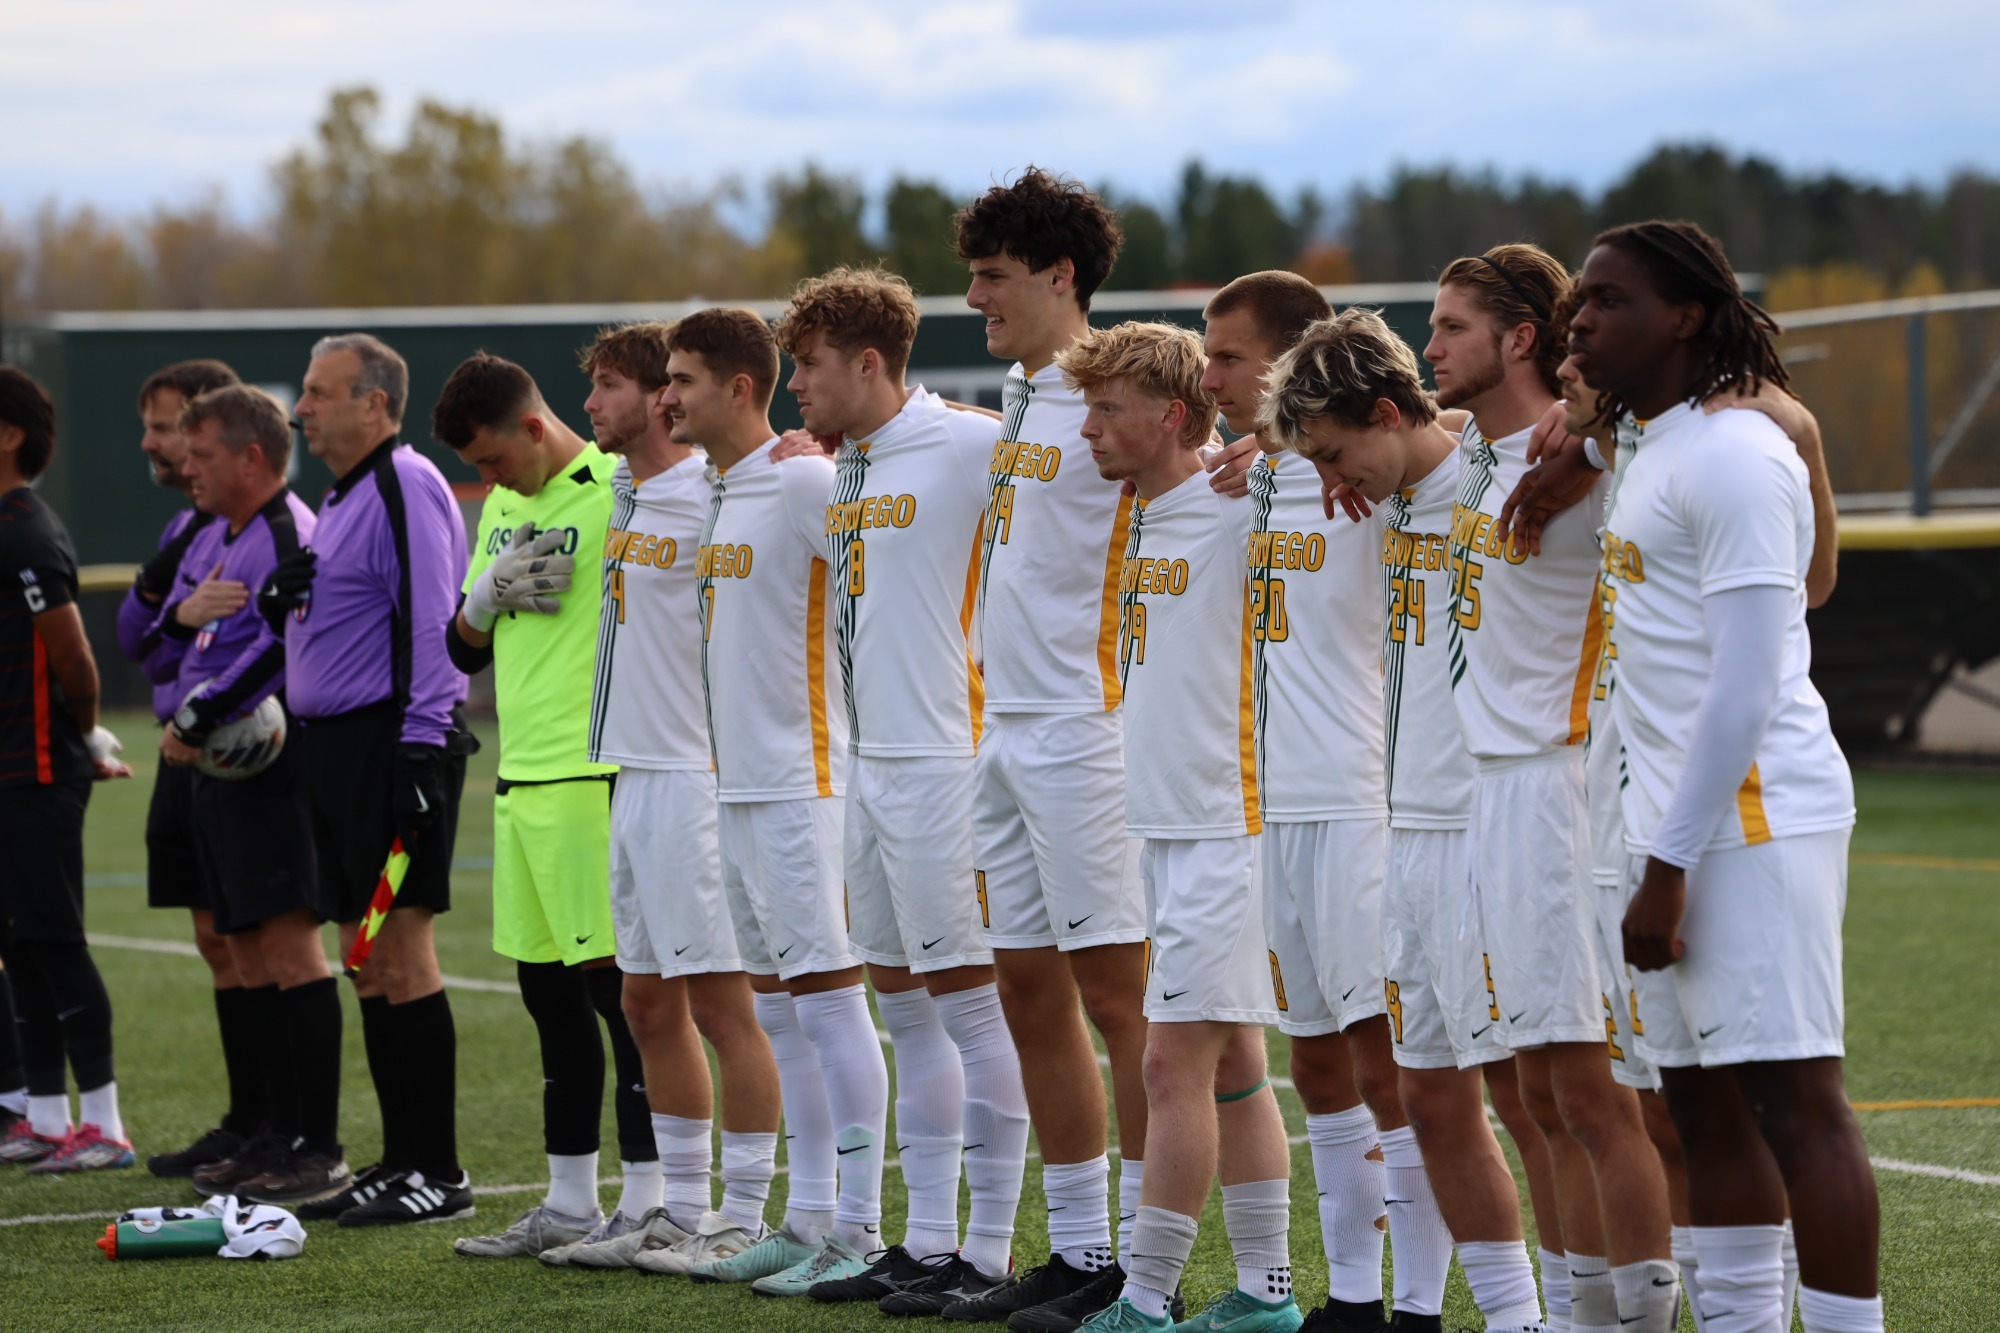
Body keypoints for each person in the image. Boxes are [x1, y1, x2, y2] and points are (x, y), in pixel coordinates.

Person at [1573, 219, 1879, 1333]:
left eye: (1608, 300)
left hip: (1748, 825)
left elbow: (1746, 686)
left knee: (1797, 1105)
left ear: (1686, 318)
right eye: (1579, 300)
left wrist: (1667, 866)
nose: (1580, 321)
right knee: (1699, 1109)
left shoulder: (1735, 454)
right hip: (1662, 828)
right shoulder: (1649, 442)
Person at [1259, 310, 1560, 1333]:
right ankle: (1500, 1315)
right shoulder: (1380, 497)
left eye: (1332, 453)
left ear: (1386, 415)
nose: (1328, 477)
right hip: (1409, 828)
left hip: (1491, 825)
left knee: (1533, 1098)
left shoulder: (1493, 477)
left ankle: (1567, 1314)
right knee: (1429, 1097)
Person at [1425, 244, 1679, 1332]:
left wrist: (1594, 426)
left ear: (1520, 338)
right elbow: (1363, 417)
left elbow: (1712, 417)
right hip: (1489, 793)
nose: (1430, 345)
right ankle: (1582, 1314)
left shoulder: (1590, 450)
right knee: (1533, 1092)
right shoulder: (1469, 452)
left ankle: (1650, 1311)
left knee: (1591, 1093)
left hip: (1559, 786)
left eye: (1450, 326)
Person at [1200, 272, 1457, 1333]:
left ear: (1294, 361)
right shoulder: (1255, 474)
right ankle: (1350, 1295)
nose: (1210, 377)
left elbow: (1452, 439)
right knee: (1313, 1057)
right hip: (1275, 808)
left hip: (1360, 802)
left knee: (1386, 1061)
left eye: (1227, 356)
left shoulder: (1368, 472)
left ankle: (1419, 1303)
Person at [773, 268, 1032, 1315]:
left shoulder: (969, 443)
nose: (795, 384)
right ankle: (923, 1241)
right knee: (905, 1010)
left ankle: (988, 1248)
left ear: (869, 362)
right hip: (868, 767)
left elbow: (1109, 473)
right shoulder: (844, 462)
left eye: (808, 365)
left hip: (946, 766)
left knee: (972, 1010)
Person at [945, 168, 1156, 1330]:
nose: (975, 297)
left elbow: (1210, 468)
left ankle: (1145, 1265)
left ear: (1059, 275)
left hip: (1088, 729)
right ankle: (1077, 1250)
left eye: (992, 276)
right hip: (1004, 730)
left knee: (1120, 1000)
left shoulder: (1124, 389)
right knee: (1026, 988)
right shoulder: (1024, 395)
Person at [1056, 321, 1297, 1333]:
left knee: (1168, 1065)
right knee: (1233, 1065)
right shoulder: (1144, 510)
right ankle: (1266, 1293)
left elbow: (1425, 436)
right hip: (1168, 827)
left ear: (1171, 414)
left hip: (1229, 825)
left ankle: (1146, 1298)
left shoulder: (1241, 499)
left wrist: (1275, 442)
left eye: (1107, 409)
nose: (1089, 429)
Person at [651, 308, 893, 1297]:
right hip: (738, 786)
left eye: (682, 379)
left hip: (805, 784)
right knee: (782, 1015)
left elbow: (888, 583)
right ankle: (805, 1221)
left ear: (737, 388)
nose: (667, 397)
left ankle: (861, 1229)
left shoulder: (801, 481)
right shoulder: (724, 487)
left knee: (832, 1006)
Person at [566, 319, 786, 1272]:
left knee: (725, 1007)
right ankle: (677, 1207)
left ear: (663, 395)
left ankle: (744, 1213)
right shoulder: (623, 486)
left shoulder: (710, 490)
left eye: (608, 385)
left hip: (697, 775)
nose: (590, 405)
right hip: (633, 775)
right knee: (646, 1003)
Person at [436, 354, 658, 1258]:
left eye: (493, 460)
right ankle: (568, 1202)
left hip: (590, 776)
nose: (489, 480)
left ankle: (649, 1202)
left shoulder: (619, 487)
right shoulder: (502, 505)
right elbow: (462, 650)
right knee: (546, 998)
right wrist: (484, 597)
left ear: (533, 427)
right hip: (518, 778)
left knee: (622, 999)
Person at [272, 333, 476, 1226]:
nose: (302, 410)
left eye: (320, 393)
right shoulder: (342, 494)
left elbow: (435, 621)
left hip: (391, 745)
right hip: (335, 751)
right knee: (365, 959)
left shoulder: (404, 481)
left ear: (376, 404)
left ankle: (440, 1171)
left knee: (400, 949)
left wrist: (419, 751)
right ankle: (399, 1161)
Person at [159, 385, 345, 1205]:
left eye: (201, 454)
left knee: (290, 950)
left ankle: (315, 1144)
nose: (186, 467)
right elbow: (163, 636)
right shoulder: (221, 534)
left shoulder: (284, 531)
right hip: (220, 772)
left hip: (272, 770)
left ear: (252, 457)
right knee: (244, 950)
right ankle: (271, 1128)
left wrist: (200, 713)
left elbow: (282, 647)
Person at [114, 358, 263, 1178]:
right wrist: (174, 611)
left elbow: (260, 645)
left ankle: (273, 1124)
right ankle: (248, 1120)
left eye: (167, 427)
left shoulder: (258, 529)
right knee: (215, 937)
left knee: (255, 940)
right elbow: (138, 640)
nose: (153, 443)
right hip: (183, 745)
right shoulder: (189, 531)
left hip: (231, 748)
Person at [0, 366, 134, 1174]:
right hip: (10, 770)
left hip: (40, 769)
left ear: (10, 434)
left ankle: (105, 1123)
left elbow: (75, 655)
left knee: (55, 939)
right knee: (20, 942)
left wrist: (84, 735)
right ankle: (47, 1116)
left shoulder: (26, 530)